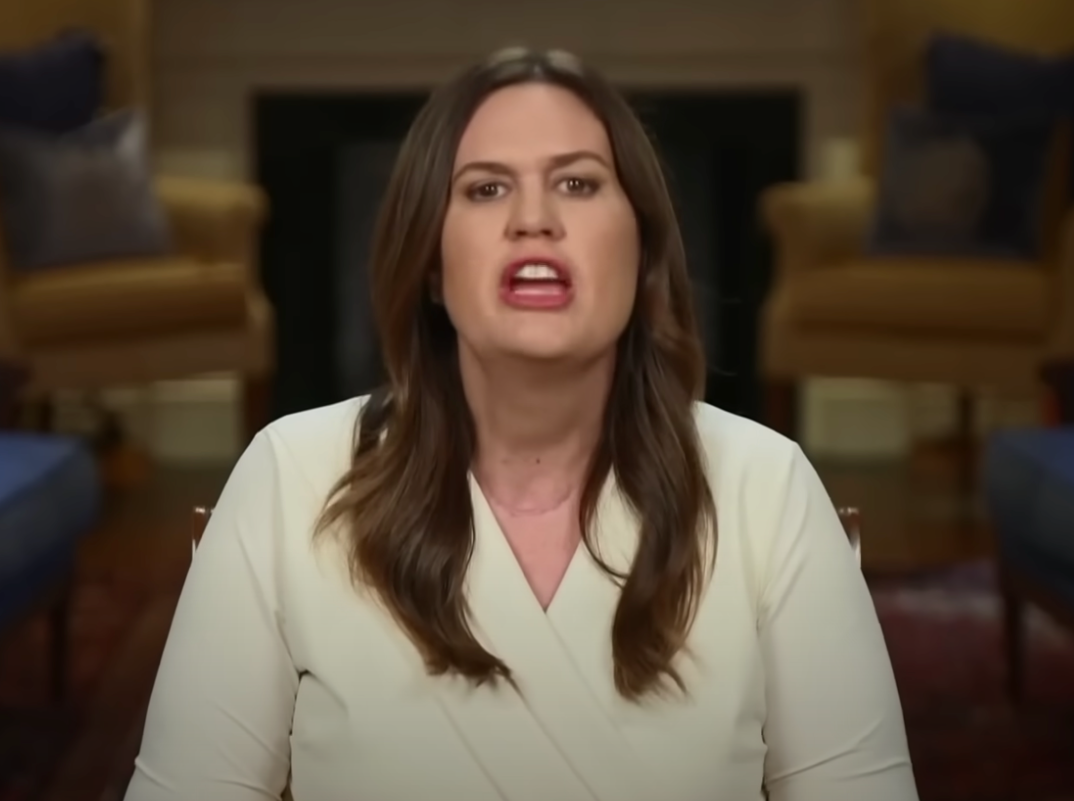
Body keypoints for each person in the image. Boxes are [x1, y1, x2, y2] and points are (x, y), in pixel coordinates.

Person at [124, 47, 918, 801]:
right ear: (431, 263)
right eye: (485, 188)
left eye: (576, 184)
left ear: (640, 250)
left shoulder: (765, 488)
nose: (533, 218)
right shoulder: (290, 476)